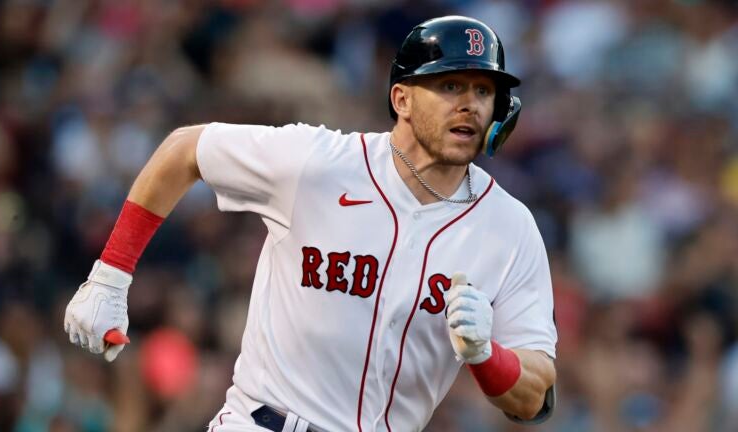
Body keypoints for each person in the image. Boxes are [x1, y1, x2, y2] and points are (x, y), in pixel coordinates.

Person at [63, 15, 557, 431]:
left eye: (483, 89)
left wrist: (485, 355)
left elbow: (536, 396)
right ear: (401, 99)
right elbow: (186, 149)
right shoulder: (320, 163)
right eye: (450, 85)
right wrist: (111, 274)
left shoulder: (509, 228)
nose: (469, 103)